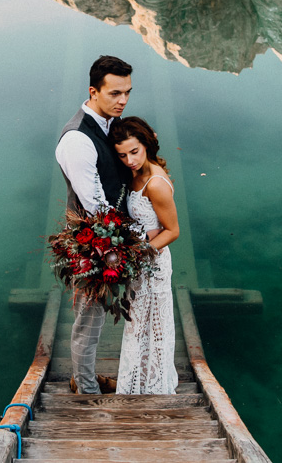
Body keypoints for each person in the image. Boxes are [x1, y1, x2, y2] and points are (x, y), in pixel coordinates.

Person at [55, 55, 133, 395]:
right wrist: (137, 240)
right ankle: (85, 388)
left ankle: (92, 377)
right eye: (115, 93)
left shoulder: (106, 123)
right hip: (95, 245)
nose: (123, 101)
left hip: (114, 240)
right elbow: (96, 205)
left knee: (100, 317)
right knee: (89, 321)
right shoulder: (77, 139)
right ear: (93, 91)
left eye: (127, 92)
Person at [108, 116, 179, 395]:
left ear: (146, 144)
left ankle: (153, 386)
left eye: (134, 152)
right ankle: (138, 383)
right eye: (122, 155)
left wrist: (138, 255)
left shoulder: (156, 184)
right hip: (140, 261)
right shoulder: (136, 174)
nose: (129, 160)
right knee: (139, 324)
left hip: (153, 263)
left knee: (150, 324)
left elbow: (172, 231)